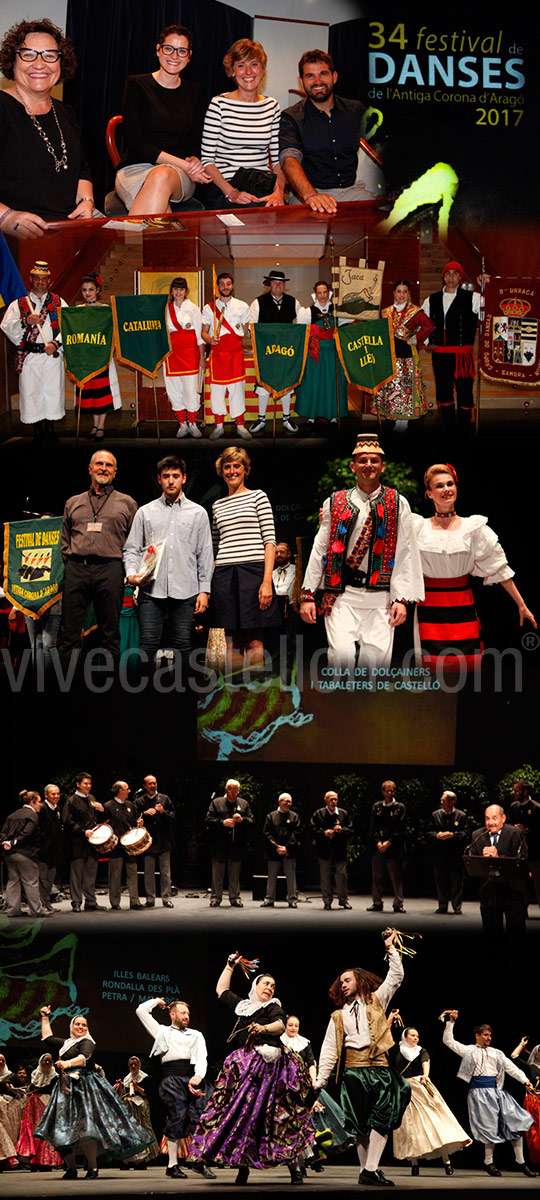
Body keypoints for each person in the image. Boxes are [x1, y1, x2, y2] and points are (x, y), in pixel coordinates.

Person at [300, 433, 424, 669]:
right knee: (341, 660)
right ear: (353, 466)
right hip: (341, 596)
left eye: (374, 460)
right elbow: (320, 549)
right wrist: (308, 594)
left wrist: (401, 599)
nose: (369, 465)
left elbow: (406, 553)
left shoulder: (398, 502)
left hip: (381, 599)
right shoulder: (334, 502)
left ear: (383, 466)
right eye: (363, 460)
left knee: (375, 668)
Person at [189, 952, 314, 1185]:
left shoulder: (273, 1006)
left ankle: (295, 1169)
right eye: (265, 983)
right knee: (244, 1117)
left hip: (273, 1069)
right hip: (247, 1069)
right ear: (255, 985)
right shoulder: (243, 1006)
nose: (270, 988)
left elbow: (279, 1025)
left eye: (273, 985)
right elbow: (221, 991)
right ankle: (242, 1168)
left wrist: (264, 1029)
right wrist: (230, 966)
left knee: (283, 1118)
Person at [413, 463, 536, 673]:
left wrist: (521, 604)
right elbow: (402, 569)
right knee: (431, 669)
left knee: (467, 669)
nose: (446, 489)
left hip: (462, 605)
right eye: (439, 486)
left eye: (450, 484)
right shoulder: (417, 528)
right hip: (429, 607)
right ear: (429, 493)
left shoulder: (473, 528)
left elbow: (498, 568)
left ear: (457, 488)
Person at [316, 927, 410, 1187]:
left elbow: (396, 976)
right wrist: (321, 1080)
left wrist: (390, 947)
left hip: (379, 1069)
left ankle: (370, 1169)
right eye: (340, 982)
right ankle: (366, 1171)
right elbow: (329, 1050)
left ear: (359, 980)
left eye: (346, 980)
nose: (342, 984)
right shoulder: (338, 1016)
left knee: (383, 1117)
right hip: (353, 1072)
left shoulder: (377, 1001)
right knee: (359, 1126)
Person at [0, 18, 95, 238]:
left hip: (65, 230)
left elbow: (82, 170)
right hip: (13, 236)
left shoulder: (65, 112)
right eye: (29, 54)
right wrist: (7, 218)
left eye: (50, 55)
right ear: (12, 62)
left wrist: (86, 201)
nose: (40, 64)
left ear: (61, 64)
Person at [35, 1006, 149, 1178]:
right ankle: (71, 1168)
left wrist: (66, 1064)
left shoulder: (87, 1042)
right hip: (65, 1089)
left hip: (84, 1087)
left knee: (87, 1127)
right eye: (77, 1024)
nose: (81, 1027)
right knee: (63, 1127)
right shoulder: (66, 1044)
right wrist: (44, 1017)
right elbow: (47, 1038)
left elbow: (83, 1057)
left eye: (84, 1025)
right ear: (71, 1027)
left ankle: (92, 1167)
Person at [123, 454, 213, 667]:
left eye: (175, 476)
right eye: (166, 476)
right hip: (151, 590)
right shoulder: (145, 512)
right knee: (148, 644)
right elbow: (131, 549)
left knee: (183, 644)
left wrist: (204, 591)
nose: (171, 480)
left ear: (184, 478)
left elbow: (205, 554)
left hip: (186, 590)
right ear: (159, 479)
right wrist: (131, 575)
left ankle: (183, 698)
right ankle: (144, 697)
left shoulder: (198, 513)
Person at [115, 23, 209, 216]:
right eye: (169, 48)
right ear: (158, 50)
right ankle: (143, 244)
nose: (174, 56)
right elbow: (136, 144)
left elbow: (195, 141)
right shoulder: (137, 85)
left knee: (162, 175)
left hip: (178, 175)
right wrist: (185, 164)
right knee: (160, 212)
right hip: (135, 170)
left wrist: (194, 161)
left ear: (189, 56)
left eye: (182, 51)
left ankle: (127, 244)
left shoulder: (195, 91)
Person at [58, 450, 138, 669]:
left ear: (115, 471)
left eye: (109, 465)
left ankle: (109, 689)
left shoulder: (128, 503)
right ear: (90, 468)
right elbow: (64, 541)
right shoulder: (73, 502)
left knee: (110, 632)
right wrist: (73, 563)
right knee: (69, 631)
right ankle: (65, 685)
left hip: (110, 569)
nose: (104, 468)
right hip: (77, 568)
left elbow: (134, 541)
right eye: (99, 464)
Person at [279, 49, 384, 213]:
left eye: (323, 74)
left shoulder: (356, 110)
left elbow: (383, 141)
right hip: (308, 195)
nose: (317, 81)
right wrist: (311, 195)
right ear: (302, 81)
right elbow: (289, 159)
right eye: (310, 76)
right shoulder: (291, 117)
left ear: (334, 77)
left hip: (352, 192)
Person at [210, 446, 279, 677]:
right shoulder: (217, 506)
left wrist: (266, 581)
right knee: (229, 643)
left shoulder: (258, 496)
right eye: (227, 466)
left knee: (255, 641)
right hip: (223, 575)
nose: (232, 471)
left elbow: (270, 541)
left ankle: (255, 696)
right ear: (221, 471)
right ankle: (234, 698)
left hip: (253, 573)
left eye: (236, 466)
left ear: (245, 469)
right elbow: (215, 547)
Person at [442, 1012, 535, 1177]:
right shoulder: (469, 1051)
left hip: (497, 1092)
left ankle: (520, 1162)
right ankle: (488, 1162)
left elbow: (511, 1068)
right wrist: (450, 1023)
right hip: (479, 1094)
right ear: (477, 1035)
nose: (488, 1038)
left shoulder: (497, 1053)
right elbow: (448, 1041)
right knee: (489, 1127)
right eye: (485, 1035)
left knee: (516, 1122)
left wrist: (525, 1080)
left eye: (490, 1035)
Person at [200, 38, 285, 211]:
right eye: (240, 65)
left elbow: (277, 161)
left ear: (262, 69)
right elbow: (207, 161)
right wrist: (232, 193)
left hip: (263, 185)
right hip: (226, 186)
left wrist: (279, 192)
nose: (248, 71)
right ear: (232, 71)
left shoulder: (272, 106)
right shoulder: (219, 105)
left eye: (254, 64)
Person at [135, 996, 211, 1179]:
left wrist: (199, 1075)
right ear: (172, 1014)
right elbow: (141, 1011)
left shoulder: (196, 1034)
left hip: (193, 1077)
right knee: (178, 1116)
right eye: (183, 1012)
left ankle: (198, 1160)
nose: (186, 1016)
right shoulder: (162, 1031)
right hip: (172, 1079)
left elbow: (202, 1056)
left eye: (188, 1013)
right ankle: (172, 1165)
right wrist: (156, 1001)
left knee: (204, 1116)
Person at [392, 1024, 471, 1175]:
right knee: (410, 1126)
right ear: (405, 1037)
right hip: (403, 1089)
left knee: (434, 1123)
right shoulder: (397, 1049)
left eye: (417, 1036)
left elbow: (425, 1062)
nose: (415, 1038)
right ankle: (414, 1163)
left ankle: (446, 1162)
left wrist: (425, 1075)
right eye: (412, 1035)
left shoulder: (421, 1050)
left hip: (420, 1086)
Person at [1, 260, 66, 440]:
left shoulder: (58, 301)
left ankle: (51, 428)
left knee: (52, 391)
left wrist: (56, 344)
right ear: (31, 280)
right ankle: (37, 430)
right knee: (32, 393)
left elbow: (69, 326)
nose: (40, 282)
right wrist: (26, 321)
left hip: (51, 355)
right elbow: (6, 326)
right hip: (30, 356)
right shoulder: (20, 303)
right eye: (36, 279)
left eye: (43, 279)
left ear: (49, 281)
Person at [281, 1015, 351, 1173]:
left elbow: (311, 1063)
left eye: (296, 1025)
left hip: (303, 1085)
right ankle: (301, 1160)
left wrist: (313, 1081)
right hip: (285, 1086)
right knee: (292, 1125)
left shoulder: (304, 1043)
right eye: (290, 1025)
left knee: (314, 1119)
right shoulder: (279, 1041)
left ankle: (311, 1157)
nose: (293, 1028)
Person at [421, 262, 482, 433]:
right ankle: (449, 430)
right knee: (443, 392)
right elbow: (423, 323)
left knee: (464, 393)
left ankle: (463, 431)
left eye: (455, 274)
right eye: (448, 273)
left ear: (460, 277)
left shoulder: (473, 298)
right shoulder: (431, 299)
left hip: (462, 356)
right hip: (440, 354)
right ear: (444, 276)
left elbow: (491, 304)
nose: (451, 277)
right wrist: (425, 341)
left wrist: (487, 284)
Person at [248, 270, 300, 436]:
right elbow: (251, 328)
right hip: (266, 353)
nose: (278, 285)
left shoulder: (293, 302)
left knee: (286, 384)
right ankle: (261, 419)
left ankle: (286, 418)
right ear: (269, 284)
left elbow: (300, 327)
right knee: (263, 384)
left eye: (281, 282)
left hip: (286, 352)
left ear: (285, 285)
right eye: (275, 282)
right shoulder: (257, 302)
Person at [371, 281, 427, 431]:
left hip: (407, 357)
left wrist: (415, 339)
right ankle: (396, 419)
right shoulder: (386, 312)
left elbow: (429, 326)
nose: (402, 295)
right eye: (399, 291)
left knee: (406, 390)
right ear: (394, 293)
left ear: (409, 294)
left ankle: (405, 421)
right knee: (393, 389)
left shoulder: (415, 311)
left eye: (405, 291)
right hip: (390, 356)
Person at [201, 273, 251, 439]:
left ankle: (241, 426)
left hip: (235, 354)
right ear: (217, 286)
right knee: (217, 391)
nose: (225, 287)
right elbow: (203, 332)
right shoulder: (209, 308)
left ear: (233, 285)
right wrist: (211, 340)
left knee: (237, 390)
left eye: (228, 283)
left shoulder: (242, 306)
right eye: (222, 284)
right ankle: (219, 426)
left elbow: (244, 331)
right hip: (217, 355)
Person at [468, 804, 528, 942]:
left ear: (503, 818)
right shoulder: (477, 835)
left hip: (512, 892)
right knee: (492, 938)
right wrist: (481, 859)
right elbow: (472, 865)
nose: (491, 823)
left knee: (517, 936)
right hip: (489, 894)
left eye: (494, 818)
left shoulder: (516, 834)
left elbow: (522, 862)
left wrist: (498, 857)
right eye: (487, 819)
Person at [296, 280, 348, 430]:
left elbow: (346, 329)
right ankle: (312, 415)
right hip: (315, 354)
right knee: (314, 384)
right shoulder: (307, 312)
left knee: (332, 383)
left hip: (333, 353)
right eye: (320, 292)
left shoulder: (338, 310)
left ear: (329, 293)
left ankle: (332, 415)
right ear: (315, 294)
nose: (322, 295)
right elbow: (303, 333)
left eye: (325, 292)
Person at [75, 273, 121, 440]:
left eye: (91, 289)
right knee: (91, 395)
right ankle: (95, 425)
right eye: (84, 290)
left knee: (102, 394)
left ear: (97, 290)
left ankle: (101, 426)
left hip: (102, 359)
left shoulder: (106, 310)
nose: (88, 293)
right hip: (85, 360)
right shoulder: (77, 311)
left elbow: (113, 333)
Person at [163, 277, 205, 437]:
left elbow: (200, 336)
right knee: (174, 389)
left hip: (190, 355)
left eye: (181, 289)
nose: (178, 292)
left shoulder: (194, 308)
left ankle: (193, 424)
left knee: (191, 390)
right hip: (172, 355)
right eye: (175, 289)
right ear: (171, 291)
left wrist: (202, 357)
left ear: (186, 291)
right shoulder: (166, 309)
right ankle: (182, 424)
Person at [1, 790, 50, 919]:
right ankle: (37, 910)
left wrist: (5, 842)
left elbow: (3, 832)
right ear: (32, 802)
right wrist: (13, 842)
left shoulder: (12, 815)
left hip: (9, 854)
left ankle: (13, 910)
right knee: (31, 881)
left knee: (13, 880)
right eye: (39, 802)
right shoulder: (32, 816)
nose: (41, 805)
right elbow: (27, 834)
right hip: (25, 854)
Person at [205, 779, 254, 907]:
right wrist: (222, 823)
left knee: (235, 873)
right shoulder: (216, 803)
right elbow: (208, 820)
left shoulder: (243, 803)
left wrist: (242, 820)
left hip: (236, 844)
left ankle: (235, 897)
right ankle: (216, 898)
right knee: (217, 873)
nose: (235, 793)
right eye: (232, 790)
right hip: (219, 845)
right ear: (226, 790)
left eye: (237, 790)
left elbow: (251, 821)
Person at [62, 772, 104, 913]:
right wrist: (83, 831)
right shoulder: (71, 801)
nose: (88, 786)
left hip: (92, 844)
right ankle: (76, 902)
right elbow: (67, 822)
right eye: (85, 783)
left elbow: (95, 818)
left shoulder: (92, 799)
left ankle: (91, 902)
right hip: (78, 844)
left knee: (91, 874)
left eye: (90, 784)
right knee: (77, 875)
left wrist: (101, 810)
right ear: (78, 784)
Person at [134, 775, 175, 909]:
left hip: (163, 841)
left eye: (154, 783)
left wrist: (163, 812)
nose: (153, 786)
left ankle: (166, 898)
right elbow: (135, 819)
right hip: (147, 842)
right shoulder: (139, 801)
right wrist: (144, 814)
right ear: (145, 786)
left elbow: (173, 816)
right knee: (148, 872)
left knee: (165, 872)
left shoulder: (164, 799)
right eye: (150, 784)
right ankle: (150, 899)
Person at [15, 1053, 63, 1169]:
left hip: (48, 1104)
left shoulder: (55, 1076)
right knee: (33, 1131)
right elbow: (33, 1089)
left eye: (49, 1061)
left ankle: (45, 1161)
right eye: (45, 1060)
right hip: (34, 1105)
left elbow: (51, 1090)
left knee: (47, 1131)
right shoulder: (34, 1074)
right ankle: (34, 1160)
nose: (47, 1063)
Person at [427, 790, 470, 914]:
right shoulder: (435, 815)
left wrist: (452, 835)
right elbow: (429, 833)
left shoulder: (461, 816)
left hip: (455, 855)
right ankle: (442, 906)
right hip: (440, 854)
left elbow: (466, 834)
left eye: (444, 800)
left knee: (457, 882)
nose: (441, 802)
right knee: (441, 881)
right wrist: (438, 835)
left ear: (452, 802)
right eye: (441, 800)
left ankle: (457, 907)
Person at [368, 781, 407, 915]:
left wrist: (388, 842)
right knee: (377, 876)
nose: (389, 793)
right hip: (378, 848)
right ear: (383, 792)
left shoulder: (400, 807)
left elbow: (400, 829)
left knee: (396, 877)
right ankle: (377, 903)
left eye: (392, 791)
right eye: (387, 791)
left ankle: (398, 904)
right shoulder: (377, 806)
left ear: (395, 792)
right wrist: (378, 842)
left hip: (394, 848)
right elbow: (373, 827)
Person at [103, 780, 143, 911]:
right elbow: (103, 826)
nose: (129, 791)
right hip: (115, 847)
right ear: (120, 790)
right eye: (127, 788)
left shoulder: (130, 805)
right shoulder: (108, 806)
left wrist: (139, 821)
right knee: (115, 875)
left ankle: (135, 901)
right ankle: (115, 902)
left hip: (129, 846)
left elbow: (136, 820)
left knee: (133, 873)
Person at [113, 1057, 159, 1169]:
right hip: (128, 1107)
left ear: (139, 1065)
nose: (133, 1067)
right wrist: (120, 1086)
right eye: (131, 1065)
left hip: (140, 1107)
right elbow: (123, 1094)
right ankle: (127, 1160)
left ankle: (141, 1160)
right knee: (128, 1131)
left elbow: (149, 1093)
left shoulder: (144, 1078)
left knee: (141, 1130)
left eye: (135, 1064)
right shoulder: (127, 1078)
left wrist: (137, 1087)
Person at [311, 789, 352, 910]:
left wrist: (342, 830)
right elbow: (312, 830)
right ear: (325, 800)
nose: (333, 802)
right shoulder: (318, 814)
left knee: (342, 876)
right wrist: (324, 833)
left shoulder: (344, 814)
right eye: (331, 799)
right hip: (324, 850)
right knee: (325, 876)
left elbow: (351, 831)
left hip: (340, 850)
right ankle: (327, 901)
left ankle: (343, 900)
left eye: (335, 799)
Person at [261, 792, 301, 909]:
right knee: (272, 875)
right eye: (286, 801)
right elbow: (266, 833)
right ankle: (269, 899)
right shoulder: (270, 816)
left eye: (290, 802)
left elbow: (296, 833)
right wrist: (276, 846)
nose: (288, 804)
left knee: (291, 875)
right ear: (279, 802)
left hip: (289, 851)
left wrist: (287, 847)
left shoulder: (294, 816)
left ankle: (292, 899)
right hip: (274, 851)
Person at [509, 779, 540, 913]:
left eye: (517, 790)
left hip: (534, 851)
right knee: (520, 883)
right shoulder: (513, 807)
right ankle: (522, 910)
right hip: (518, 852)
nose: (514, 792)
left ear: (525, 792)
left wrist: (526, 830)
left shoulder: (536, 808)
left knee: (538, 883)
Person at [511, 1037, 540, 1166]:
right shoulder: (530, 1067)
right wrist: (522, 1044)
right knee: (534, 1133)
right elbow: (514, 1056)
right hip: (533, 1101)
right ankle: (536, 1162)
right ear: (537, 1053)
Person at [272, 541, 297, 682]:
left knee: (289, 641)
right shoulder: (271, 573)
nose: (279, 555)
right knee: (274, 641)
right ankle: (274, 671)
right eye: (276, 552)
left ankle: (287, 671)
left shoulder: (296, 570)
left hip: (290, 609)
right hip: (274, 610)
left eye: (282, 552)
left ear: (289, 554)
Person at [38, 783, 63, 912]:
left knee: (50, 879)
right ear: (46, 795)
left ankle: (47, 903)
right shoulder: (41, 809)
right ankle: (42, 905)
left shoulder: (57, 808)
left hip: (54, 851)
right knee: (43, 880)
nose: (56, 796)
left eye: (58, 793)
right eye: (53, 794)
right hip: (43, 852)